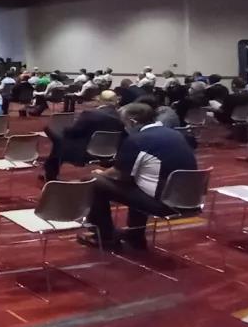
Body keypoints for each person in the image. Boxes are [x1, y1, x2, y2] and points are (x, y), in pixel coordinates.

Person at [83, 103, 197, 250]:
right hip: (190, 200)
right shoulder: (176, 134)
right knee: (140, 180)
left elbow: (120, 174)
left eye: (124, 123)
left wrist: (100, 174)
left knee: (93, 182)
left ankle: (105, 237)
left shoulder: (138, 140)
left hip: (165, 203)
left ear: (132, 122)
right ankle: (135, 236)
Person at [42, 90, 124, 181]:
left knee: (58, 143)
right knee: (58, 140)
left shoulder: (90, 114)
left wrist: (64, 131)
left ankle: (50, 175)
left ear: (100, 100)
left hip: (85, 151)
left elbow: (75, 132)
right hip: (110, 152)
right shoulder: (121, 117)